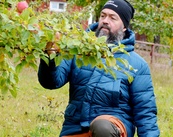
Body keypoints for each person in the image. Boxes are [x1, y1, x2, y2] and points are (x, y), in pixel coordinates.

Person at [37, 0, 160, 137]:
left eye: (113, 18)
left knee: (102, 127)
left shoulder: (137, 64)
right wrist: (50, 56)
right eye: (103, 16)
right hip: (75, 129)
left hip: (113, 128)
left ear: (124, 27)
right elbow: (51, 82)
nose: (105, 21)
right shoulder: (78, 51)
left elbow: (145, 112)